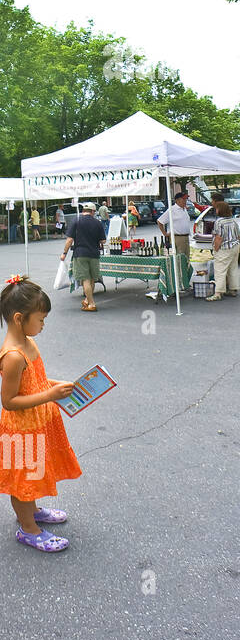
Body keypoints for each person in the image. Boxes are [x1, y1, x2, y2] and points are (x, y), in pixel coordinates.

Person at [1, 277, 82, 553]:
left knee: (31, 476)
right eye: (41, 319)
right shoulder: (12, 355)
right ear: (19, 318)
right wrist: (49, 395)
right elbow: (9, 401)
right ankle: (28, 530)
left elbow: (36, 380)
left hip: (36, 423)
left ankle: (31, 510)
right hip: (20, 430)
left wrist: (55, 385)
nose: (44, 325)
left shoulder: (27, 340)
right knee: (21, 481)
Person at [58, 204, 107, 313]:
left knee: (85, 279)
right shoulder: (97, 223)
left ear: (83, 210)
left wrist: (64, 253)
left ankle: (92, 303)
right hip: (94, 254)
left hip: (80, 254)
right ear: (93, 211)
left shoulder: (76, 221)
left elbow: (69, 240)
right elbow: (103, 241)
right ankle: (87, 300)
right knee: (92, 278)